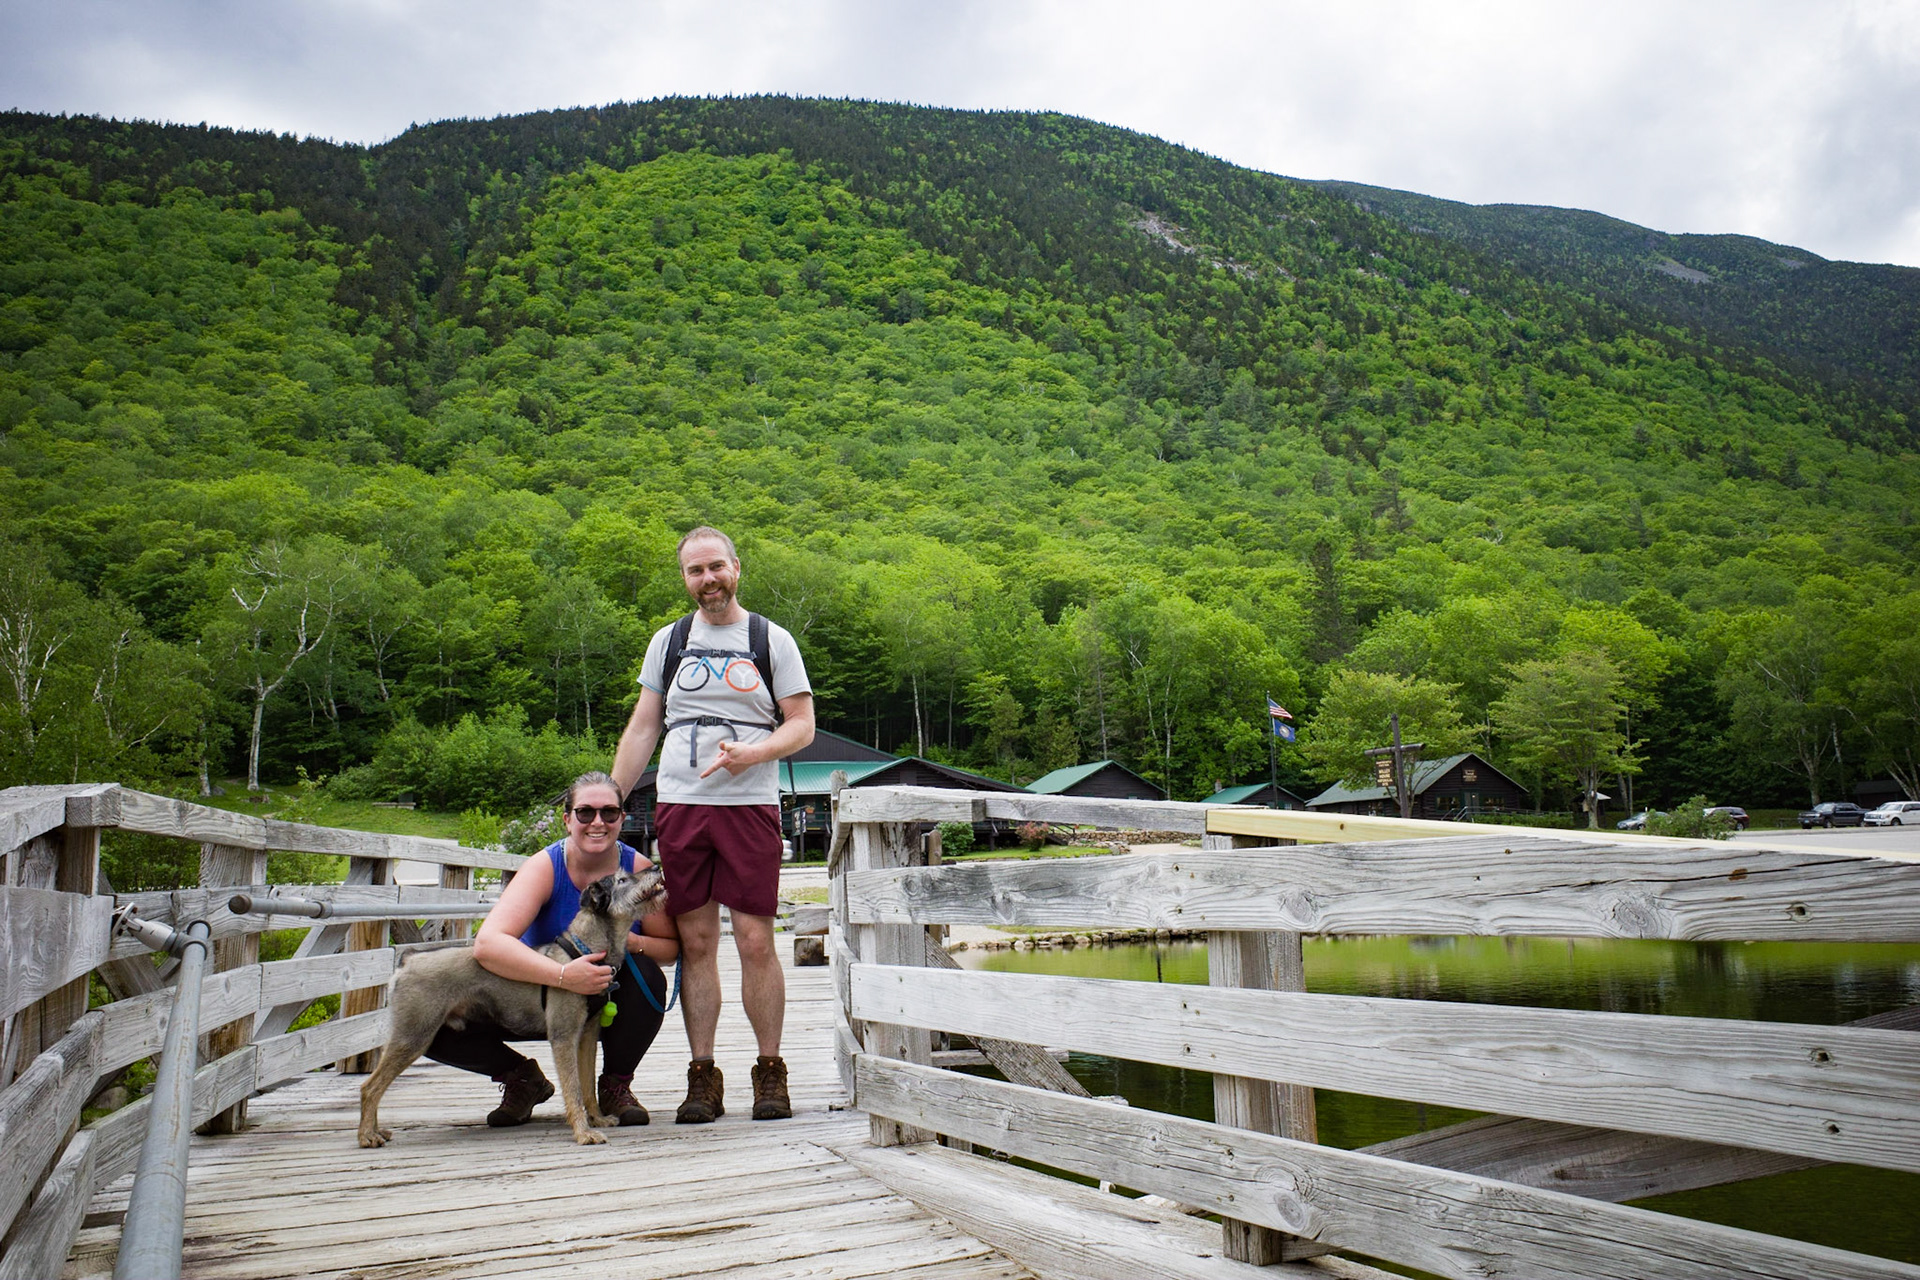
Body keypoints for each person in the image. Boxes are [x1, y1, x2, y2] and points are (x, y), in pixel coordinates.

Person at [612, 525, 815, 1123]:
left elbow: (801, 723)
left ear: (736, 568)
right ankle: (703, 1077)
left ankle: (770, 1072)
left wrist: (755, 753)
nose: (708, 580)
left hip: (750, 806)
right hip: (681, 805)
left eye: (716, 567)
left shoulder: (770, 639)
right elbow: (644, 725)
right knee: (697, 943)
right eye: (696, 570)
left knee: (755, 941)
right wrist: (611, 801)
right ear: (685, 578)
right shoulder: (669, 641)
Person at [431, 771, 680, 1127]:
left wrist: (624, 941)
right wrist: (564, 975)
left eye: (609, 813)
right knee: (430, 1012)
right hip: (530, 1001)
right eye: (585, 812)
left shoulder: (637, 870)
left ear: (622, 818)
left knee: (648, 977)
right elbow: (487, 943)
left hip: (602, 1002)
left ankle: (615, 1084)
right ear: (567, 820)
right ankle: (520, 1078)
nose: (598, 822)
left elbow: (669, 949)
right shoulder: (544, 867)